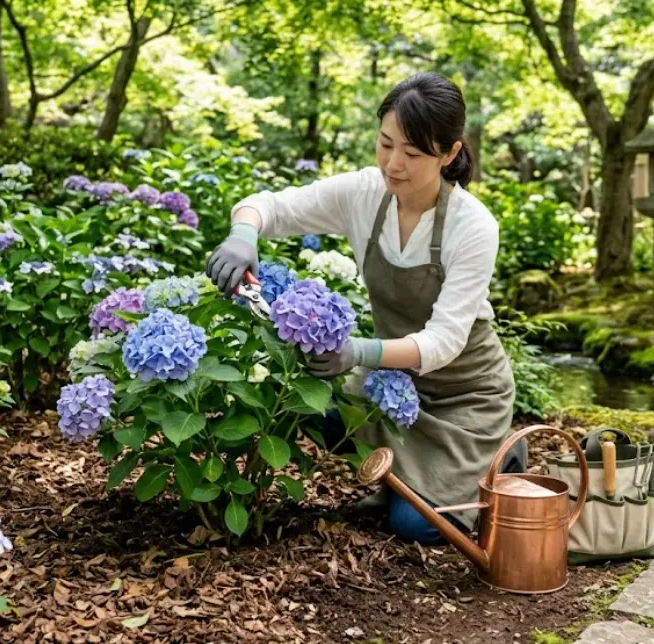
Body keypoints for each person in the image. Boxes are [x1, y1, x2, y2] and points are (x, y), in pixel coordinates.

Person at [205, 72, 526, 545]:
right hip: (391, 382)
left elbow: (444, 342)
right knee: (299, 402)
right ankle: (400, 479)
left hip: (464, 397)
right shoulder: (363, 194)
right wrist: (243, 234)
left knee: (415, 527)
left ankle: (498, 459)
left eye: (413, 154)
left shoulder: (473, 226)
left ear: (450, 154)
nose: (394, 164)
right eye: (385, 144)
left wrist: (356, 352)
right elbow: (270, 205)